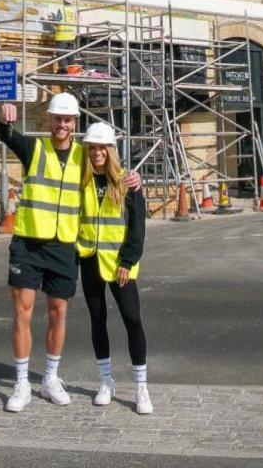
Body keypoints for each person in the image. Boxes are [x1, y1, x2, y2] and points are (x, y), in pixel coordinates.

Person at [0, 94, 139, 413]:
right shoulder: (35, 149)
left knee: (58, 312)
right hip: (29, 243)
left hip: (64, 245)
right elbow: (8, 136)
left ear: (74, 123)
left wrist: (135, 179)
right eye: (58, 118)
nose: (62, 124)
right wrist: (5, 120)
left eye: (68, 119)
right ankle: (22, 382)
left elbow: (110, 167)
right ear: (49, 120)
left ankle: (50, 378)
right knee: (23, 310)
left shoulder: (83, 157)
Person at [78, 121, 152, 415]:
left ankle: (141, 387)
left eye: (101, 148)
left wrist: (128, 260)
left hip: (120, 265)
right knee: (98, 321)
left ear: (110, 151)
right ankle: (106, 381)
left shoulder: (126, 182)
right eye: (92, 148)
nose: (97, 153)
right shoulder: (80, 180)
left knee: (133, 321)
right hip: (89, 260)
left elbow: (137, 226)